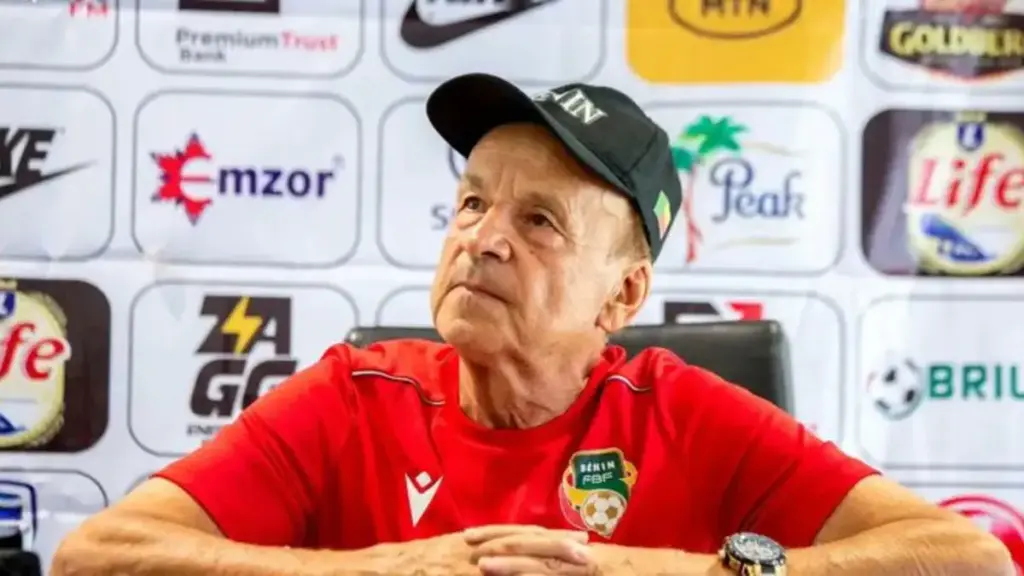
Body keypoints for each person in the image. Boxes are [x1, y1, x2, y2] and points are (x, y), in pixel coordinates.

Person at [53, 74, 1011, 576]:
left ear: (621, 298)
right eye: (473, 203)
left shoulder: (685, 413)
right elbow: (96, 558)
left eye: (540, 221)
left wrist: (675, 575)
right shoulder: (355, 393)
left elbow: (969, 561)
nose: (483, 240)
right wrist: (381, 571)